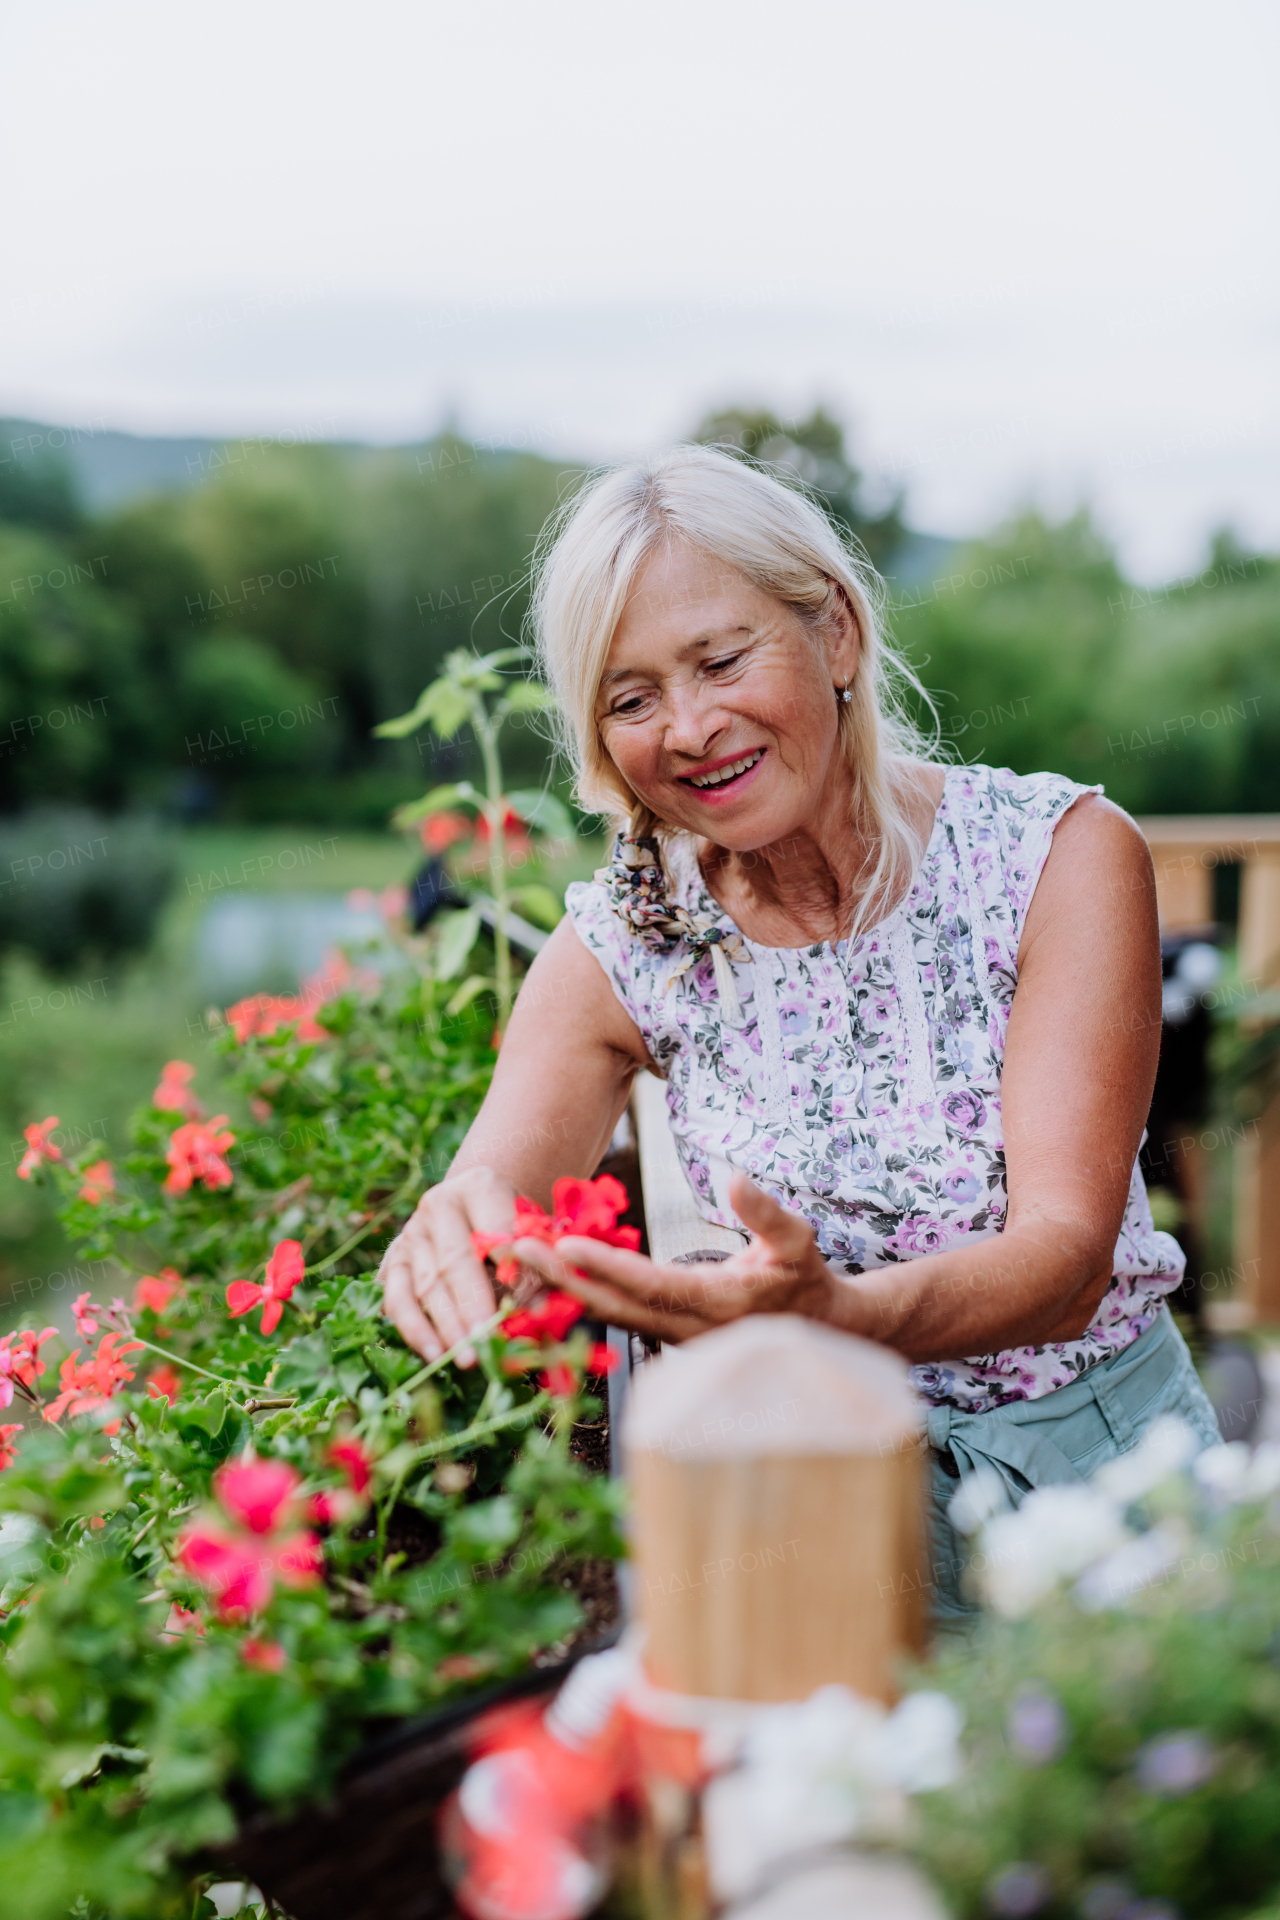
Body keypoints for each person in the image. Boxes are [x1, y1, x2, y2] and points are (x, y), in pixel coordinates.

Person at [378, 443, 1219, 1623]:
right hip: (811, 1516)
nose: (686, 727)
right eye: (629, 698)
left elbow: (1066, 1262)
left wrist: (834, 1315)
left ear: (833, 633)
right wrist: (449, 1231)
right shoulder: (619, 945)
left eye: (720, 660)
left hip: (1103, 1489)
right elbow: (490, 1194)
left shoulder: (1054, 860)